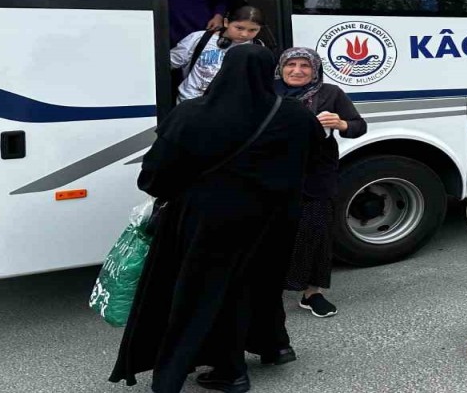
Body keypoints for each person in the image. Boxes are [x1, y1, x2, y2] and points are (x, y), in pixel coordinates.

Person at [109, 45, 325, 393]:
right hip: (274, 219)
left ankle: (230, 370)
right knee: (261, 284)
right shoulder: (295, 114)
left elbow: (155, 173)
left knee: (209, 294)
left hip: (210, 221)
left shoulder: (192, 114)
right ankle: (274, 345)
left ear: (225, 70)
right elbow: (317, 161)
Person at [276, 47, 368, 318]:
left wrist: (341, 124)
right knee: (272, 234)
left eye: (305, 65)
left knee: (315, 232)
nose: (297, 71)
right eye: (290, 64)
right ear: (281, 68)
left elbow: (359, 126)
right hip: (274, 174)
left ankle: (312, 293)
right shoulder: (268, 91)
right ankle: (268, 289)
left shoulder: (330, 93)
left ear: (315, 69)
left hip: (317, 174)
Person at [170, 6, 265, 102]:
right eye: (239, 28)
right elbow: (168, 63)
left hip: (229, 105)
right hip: (190, 101)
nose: (244, 34)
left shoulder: (258, 47)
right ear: (226, 22)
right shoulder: (199, 38)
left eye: (253, 30)